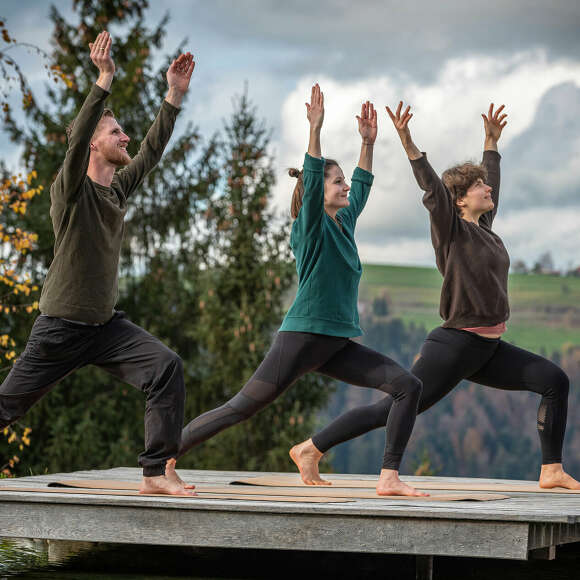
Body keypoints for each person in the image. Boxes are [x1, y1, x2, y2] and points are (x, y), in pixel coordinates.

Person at [290, 101, 580, 491]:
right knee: (393, 406)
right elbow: (432, 186)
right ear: (459, 200)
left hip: (489, 349)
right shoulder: (450, 229)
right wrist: (410, 146)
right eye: (478, 186)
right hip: (455, 345)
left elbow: (492, 177)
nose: (487, 188)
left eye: (484, 183)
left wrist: (491, 144)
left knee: (554, 381)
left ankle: (551, 470)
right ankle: (314, 448)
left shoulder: (485, 228)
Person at [172, 84, 426, 496]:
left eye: (344, 182)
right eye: (337, 183)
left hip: (335, 342)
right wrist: (315, 129)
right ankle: (161, 459)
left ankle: (385, 476)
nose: (345, 187)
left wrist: (367, 144)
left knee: (407, 386)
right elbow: (313, 182)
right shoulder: (311, 227)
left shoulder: (343, 223)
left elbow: (361, 188)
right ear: (317, 193)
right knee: (241, 408)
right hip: (304, 337)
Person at [0, 31, 196, 496]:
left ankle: (154, 474)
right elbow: (71, 150)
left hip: (105, 329)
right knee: (6, 405)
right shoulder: (70, 192)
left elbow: (149, 152)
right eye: (114, 132)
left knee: (166, 367)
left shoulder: (116, 190)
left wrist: (173, 95)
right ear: (92, 144)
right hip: (59, 329)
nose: (124, 136)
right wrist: (103, 80)